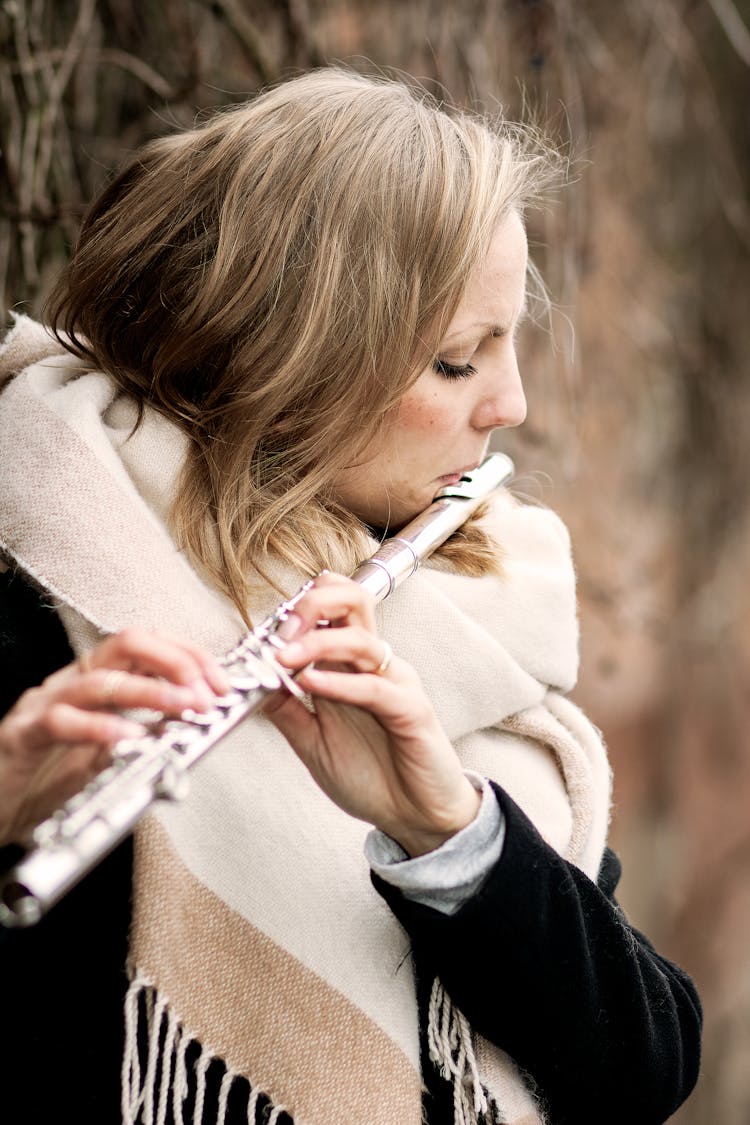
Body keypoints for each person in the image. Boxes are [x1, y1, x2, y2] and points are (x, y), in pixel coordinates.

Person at [0, 68, 700, 1125]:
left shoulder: (469, 622)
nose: (511, 404)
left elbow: (645, 1068)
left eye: (508, 344)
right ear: (294, 361)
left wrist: (454, 835)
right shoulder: (37, 580)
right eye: (459, 361)